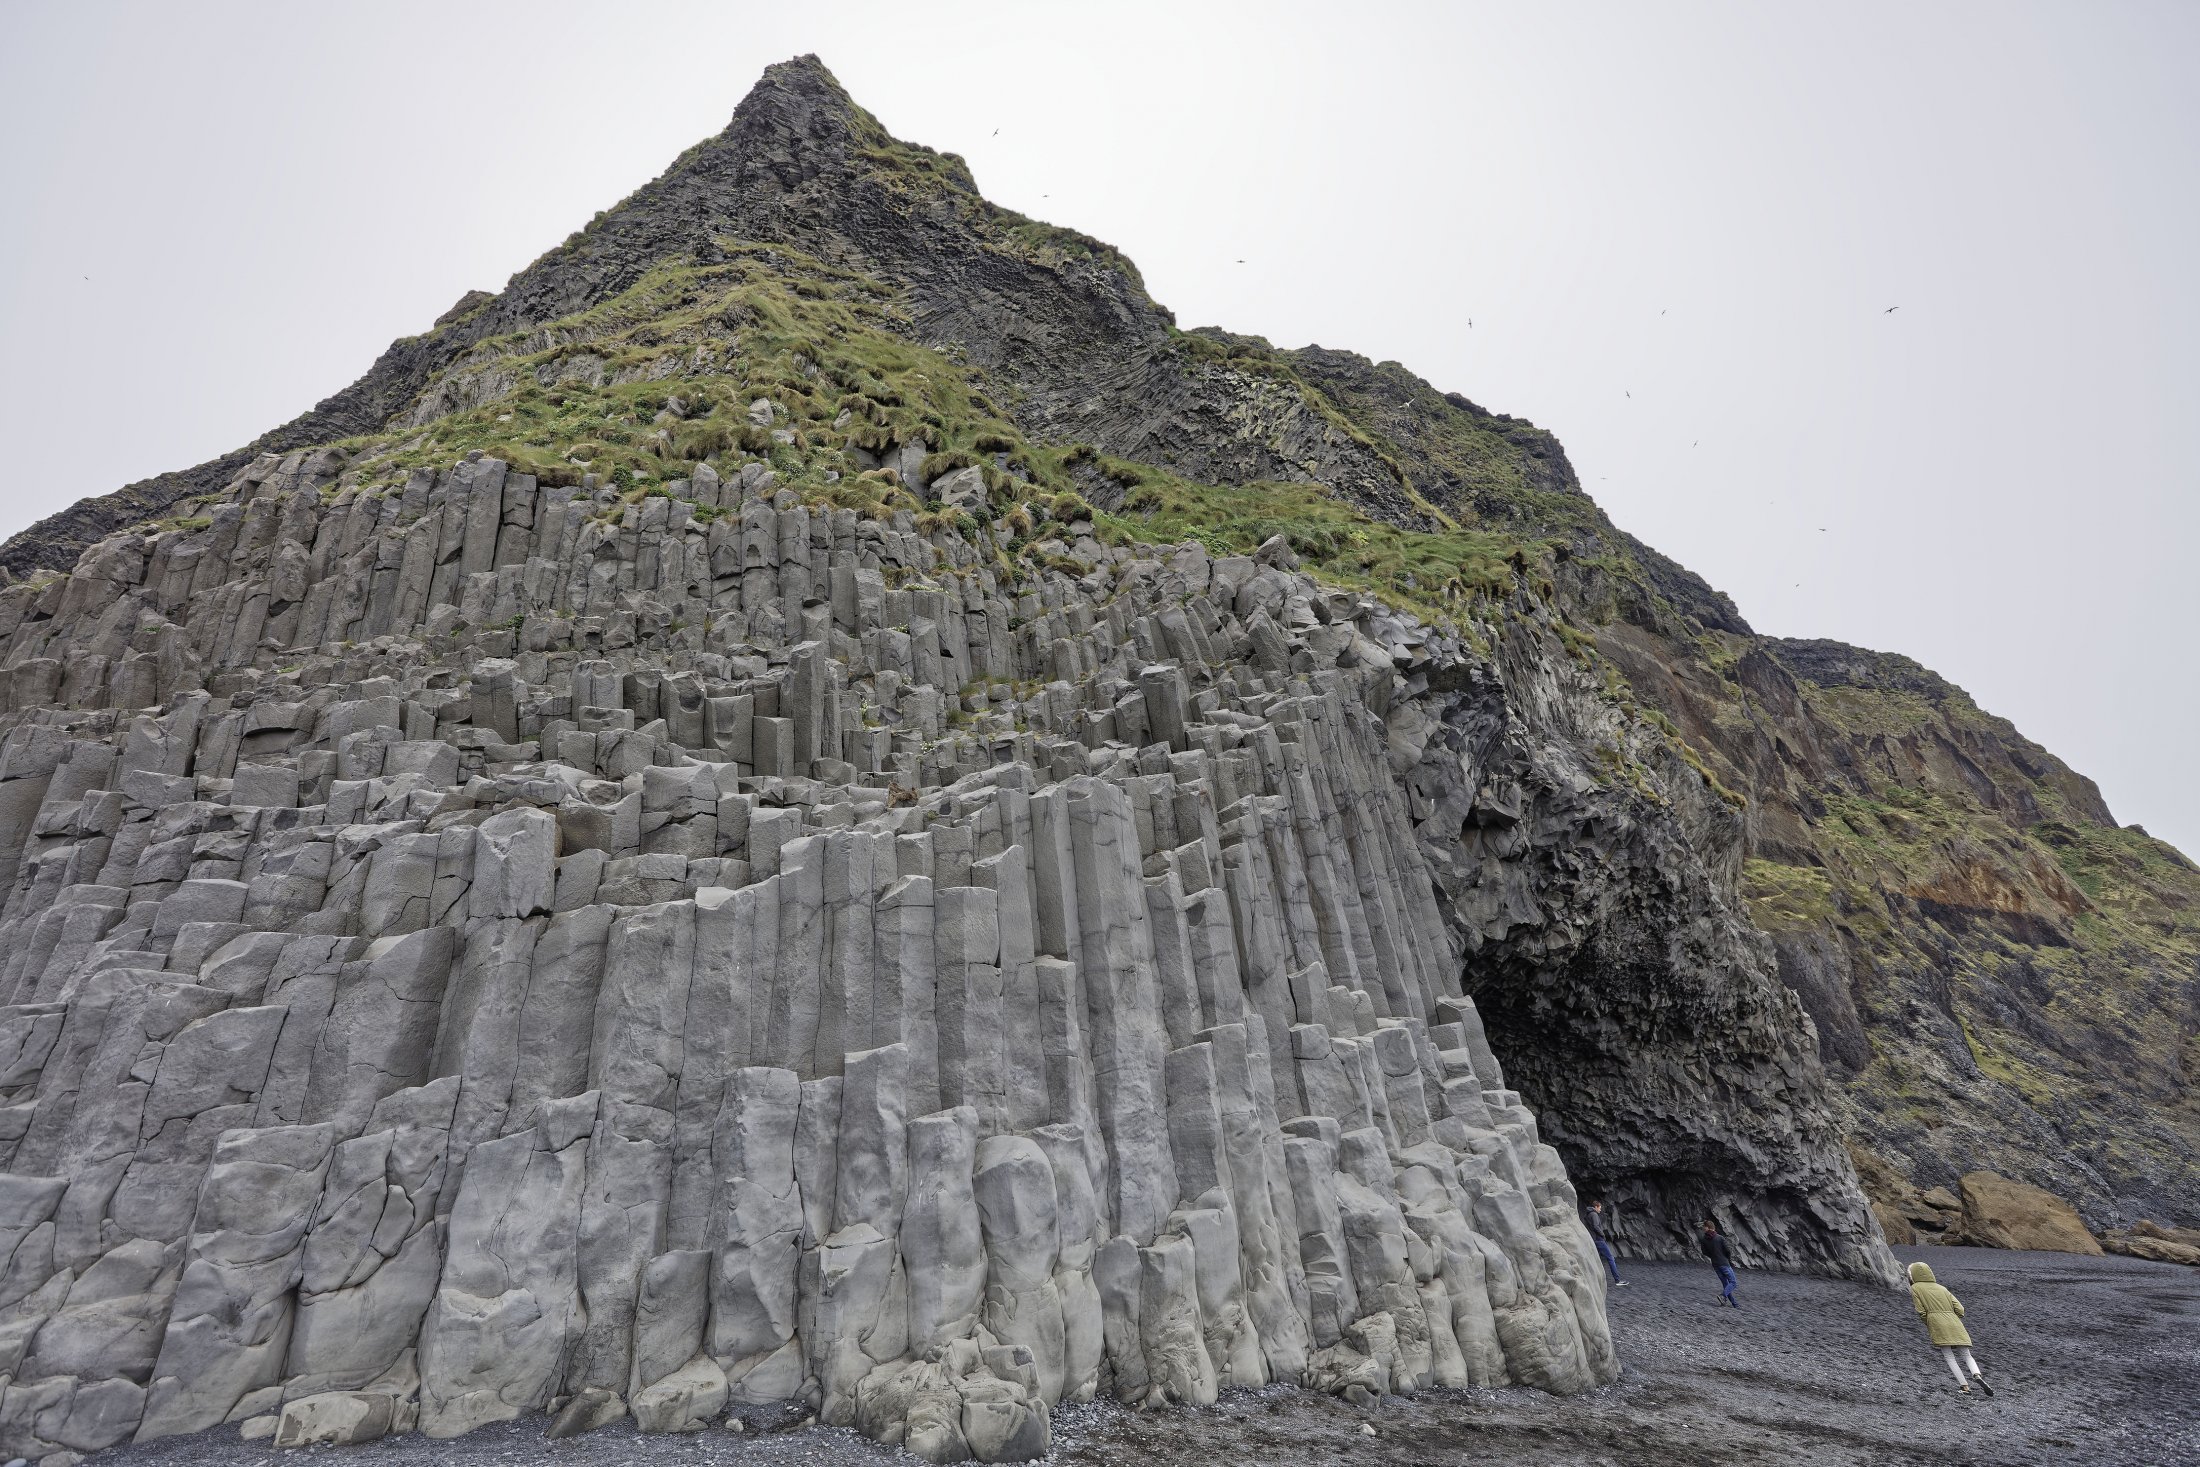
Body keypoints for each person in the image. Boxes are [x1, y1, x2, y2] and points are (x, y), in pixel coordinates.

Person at [1908, 1261, 1994, 1396]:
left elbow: (1921, 1311)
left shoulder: (1916, 1288)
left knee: (1949, 1357)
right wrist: (1953, 1316)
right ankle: (1976, 1374)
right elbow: (1960, 1310)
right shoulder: (1942, 1288)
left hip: (1937, 1322)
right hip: (1955, 1322)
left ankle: (1965, 1387)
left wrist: (1929, 1322)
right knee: (1966, 1354)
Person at [1584, 1200, 1627, 1287]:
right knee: (1611, 1258)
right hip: (1598, 1240)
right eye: (1599, 1208)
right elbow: (1596, 1226)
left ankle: (1592, 1280)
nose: (1600, 1209)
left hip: (1592, 1239)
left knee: (1595, 1260)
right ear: (1595, 1207)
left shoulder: (1588, 1214)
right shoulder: (1594, 1214)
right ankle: (1617, 1280)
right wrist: (1602, 1234)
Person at [1700, 1218, 1740, 1308]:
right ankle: (1723, 1296)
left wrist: (1713, 1256)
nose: (1703, 1228)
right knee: (1733, 1282)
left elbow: (1704, 1252)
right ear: (1713, 1227)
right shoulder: (1720, 1238)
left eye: (1703, 1227)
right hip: (1724, 1263)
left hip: (1715, 1264)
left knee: (1726, 1284)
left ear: (1707, 1228)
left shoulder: (1704, 1240)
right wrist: (1727, 1258)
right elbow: (1728, 1251)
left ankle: (1734, 1304)